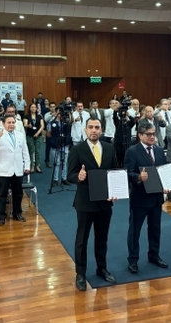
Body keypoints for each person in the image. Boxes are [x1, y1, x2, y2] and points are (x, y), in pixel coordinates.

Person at [67, 118, 118, 291]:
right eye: (90, 127)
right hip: (85, 202)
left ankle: (101, 268)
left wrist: (115, 191)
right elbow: (70, 175)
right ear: (85, 130)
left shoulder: (110, 148)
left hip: (105, 202)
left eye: (97, 127)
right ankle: (80, 273)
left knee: (102, 238)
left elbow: (114, 172)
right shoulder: (77, 149)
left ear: (101, 130)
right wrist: (78, 177)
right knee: (82, 239)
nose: (94, 130)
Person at [124, 123, 169, 274]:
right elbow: (127, 173)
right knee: (135, 230)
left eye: (153, 134)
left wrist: (167, 185)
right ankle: (133, 259)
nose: (152, 136)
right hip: (140, 198)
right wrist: (138, 177)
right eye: (148, 134)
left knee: (155, 228)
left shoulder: (158, 150)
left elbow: (163, 171)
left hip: (157, 197)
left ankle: (154, 255)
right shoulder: (132, 151)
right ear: (140, 135)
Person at [0, 115, 30, 226]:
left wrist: (27, 165)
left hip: (18, 169)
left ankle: (17, 213)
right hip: (4, 170)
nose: (11, 124)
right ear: (3, 123)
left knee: (18, 193)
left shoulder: (20, 135)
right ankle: (1, 216)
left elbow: (25, 151)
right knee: (2, 195)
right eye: (9, 122)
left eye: (13, 122)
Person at [47, 109, 72, 186]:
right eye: (59, 112)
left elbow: (71, 122)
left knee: (64, 162)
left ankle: (64, 178)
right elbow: (48, 134)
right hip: (55, 145)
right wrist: (55, 139)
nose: (60, 114)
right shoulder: (51, 123)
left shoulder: (66, 122)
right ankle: (55, 179)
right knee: (57, 162)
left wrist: (70, 113)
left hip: (65, 144)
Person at [24, 103, 45, 173]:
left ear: (36, 108)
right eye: (32, 107)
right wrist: (28, 126)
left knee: (37, 151)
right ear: (30, 108)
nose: (33, 108)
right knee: (31, 151)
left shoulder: (39, 116)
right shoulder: (27, 116)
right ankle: (31, 166)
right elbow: (25, 125)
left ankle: (37, 166)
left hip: (38, 136)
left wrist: (37, 133)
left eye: (34, 107)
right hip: (29, 135)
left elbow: (42, 126)